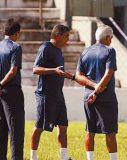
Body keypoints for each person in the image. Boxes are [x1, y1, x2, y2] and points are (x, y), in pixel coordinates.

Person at [30, 24, 74, 160]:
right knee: (39, 127)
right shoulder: (45, 48)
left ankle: (64, 157)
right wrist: (53, 70)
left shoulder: (59, 51)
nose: (68, 39)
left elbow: (57, 71)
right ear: (57, 36)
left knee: (63, 126)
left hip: (58, 95)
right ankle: (33, 157)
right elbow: (35, 69)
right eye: (66, 36)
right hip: (45, 95)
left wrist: (66, 75)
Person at [75, 25, 118, 160]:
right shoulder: (110, 50)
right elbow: (109, 72)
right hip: (106, 97)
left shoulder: (85, 52)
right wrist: (98, 89)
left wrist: (93, 88)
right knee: (110, 132)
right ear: (107, 38)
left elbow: (78, 76)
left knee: (90, 130)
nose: (111, 41)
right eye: (110, 38)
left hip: (88, 97)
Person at [0, 18, 25, 160]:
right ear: (17, 33)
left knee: (1, 128)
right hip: (11, 91)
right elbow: (13, 70)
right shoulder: (15, 47)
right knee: (16, 130)